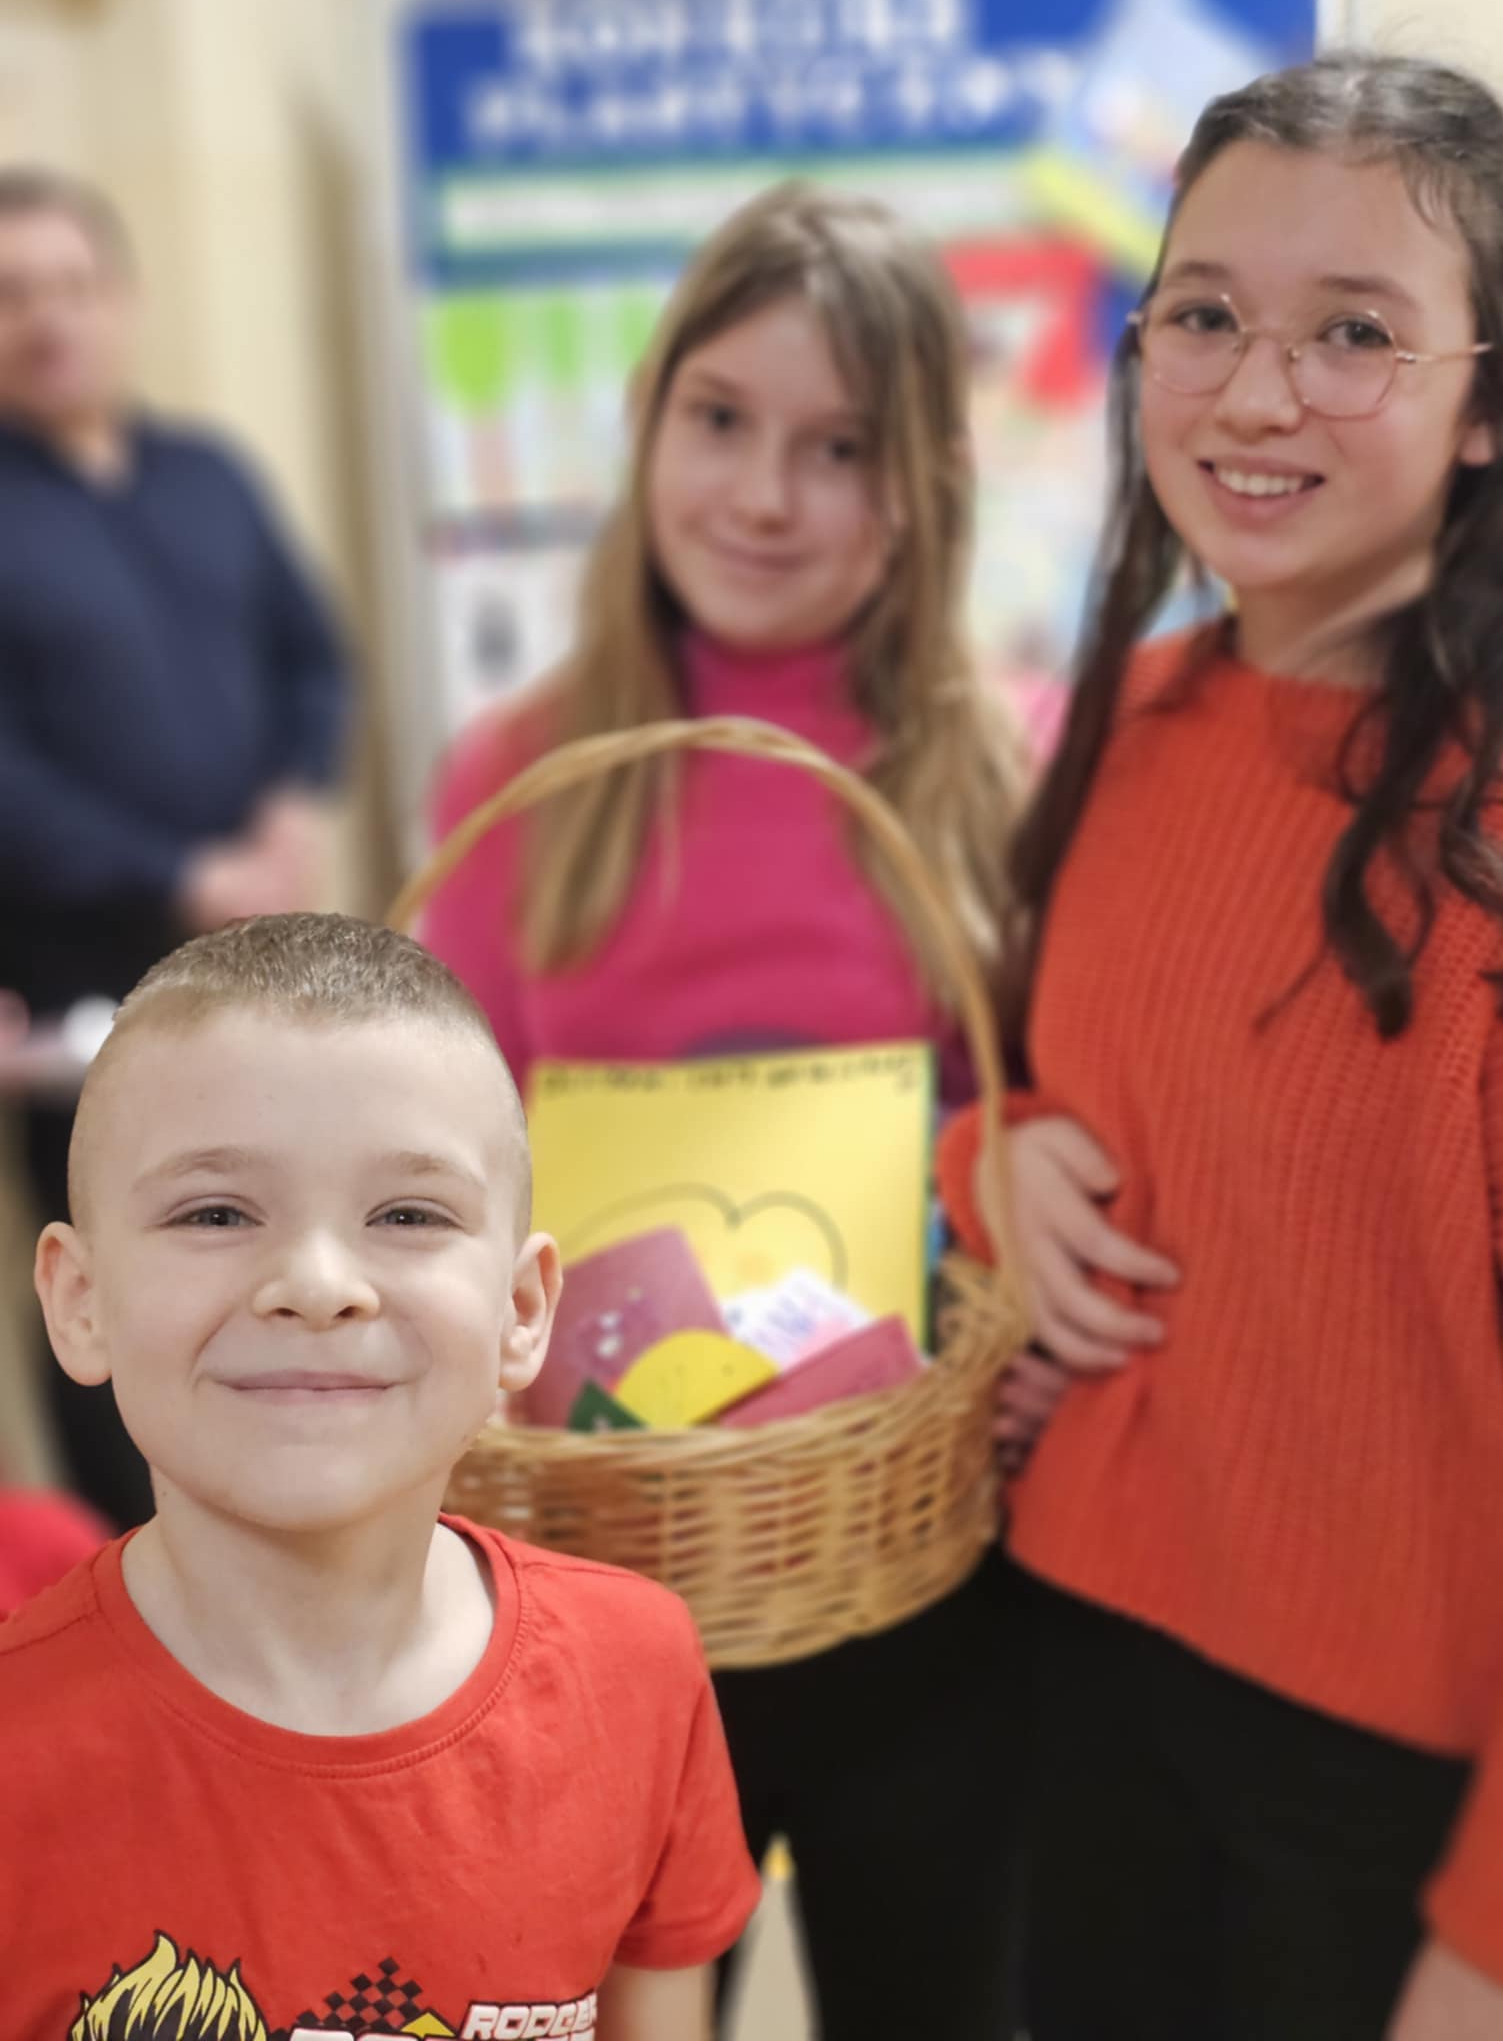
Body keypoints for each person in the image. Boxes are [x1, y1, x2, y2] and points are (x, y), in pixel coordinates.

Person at [938, 52, 1503, 2041]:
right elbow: (1067, 1086)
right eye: (1202, 314)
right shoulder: (1132, 719)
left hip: (1398, 1803)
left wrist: (1502, 1949)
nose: (1255, 395)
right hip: (1079, 1666)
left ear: (1498, 404)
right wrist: (988, 1157)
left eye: (1355, 333)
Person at [422, 183, 1058, 2040]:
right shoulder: (522, 777)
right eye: (721, 419)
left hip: (914, 1573)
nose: (764, 496)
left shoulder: (1007, 766)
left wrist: (1027, 1321)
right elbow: (446, 1171)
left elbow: (1044, 1140)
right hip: (593, 1574)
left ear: (924, 483)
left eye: (837, 447)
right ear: (648, 420)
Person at [1, 912, 758, 2038]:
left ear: (520, 1309)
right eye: (216, 1212)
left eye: (407, 1213)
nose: (317, 1284)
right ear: (79, 1300)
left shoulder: (637, 1673)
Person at [0, 168, 351, 1530]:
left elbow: (313, 658)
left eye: (72, 286)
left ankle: (282, 1518)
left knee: (273, 1225)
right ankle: (134, 1563)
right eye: (13, 296)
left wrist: (291, 808)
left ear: (121, 301)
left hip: (256, 954)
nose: (48, 319)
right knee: (117, 1268)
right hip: (73, 976)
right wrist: (178, 872)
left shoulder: (210, 476)